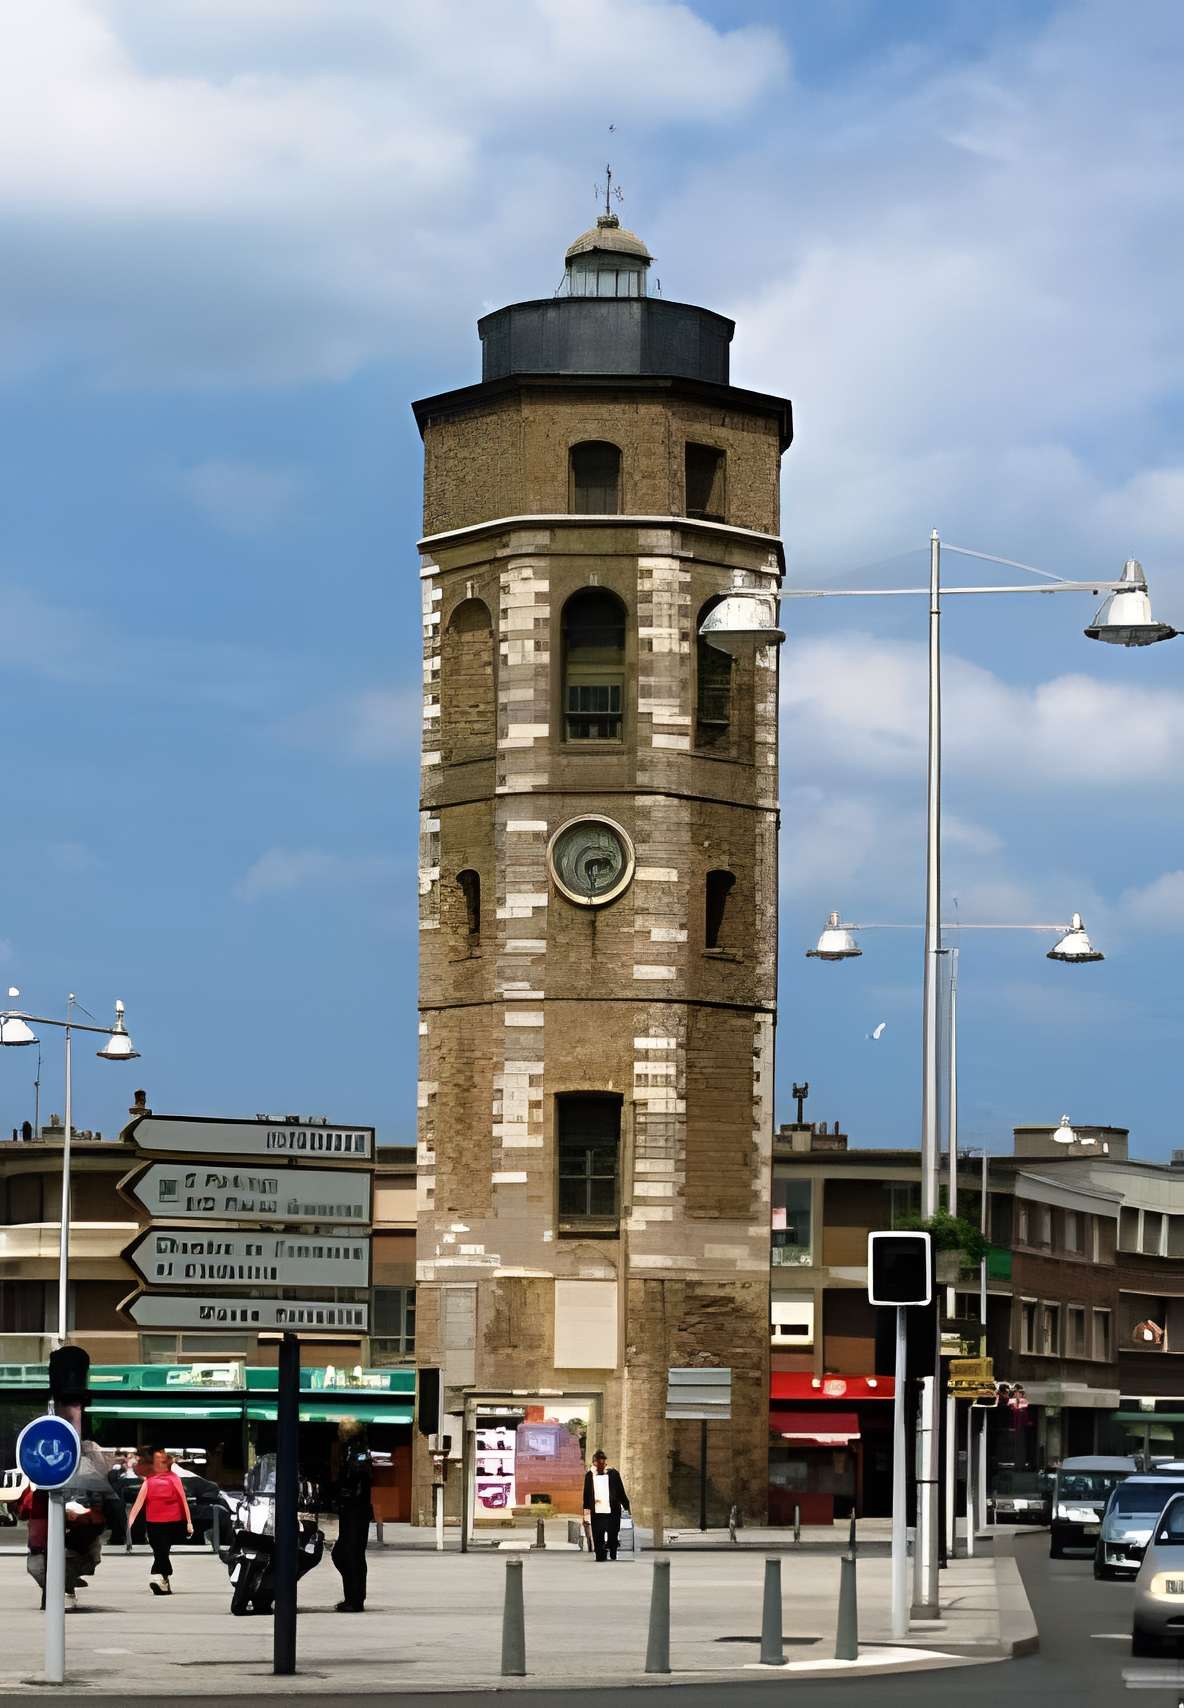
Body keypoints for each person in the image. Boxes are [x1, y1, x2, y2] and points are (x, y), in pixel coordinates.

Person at [126, 1450, 192, 1594]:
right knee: (160, 1550)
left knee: (161, 1550)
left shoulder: (174, 1479)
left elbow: (183, 1500)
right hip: (153, 1521)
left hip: (172, 1521)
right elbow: (139, 1502)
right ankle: (164, 1580)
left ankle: (160, 1577)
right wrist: (131, 1522)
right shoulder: (149, 1481)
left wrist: (188, 1522)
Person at [330, 1419, 373, 1612]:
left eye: (340, 1431)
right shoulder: (352, 1450)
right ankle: (354, 1597)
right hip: (353, 1508)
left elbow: (356, 1477)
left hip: (355, 1508)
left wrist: (342, 1492)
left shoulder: (356, 1452)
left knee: (349, 1553)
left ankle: (355, 1599)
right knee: (347, 1553)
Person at [582, 1450, 630, 1562]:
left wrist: (626, 1505)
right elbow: (587, 1494)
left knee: (613, 1532)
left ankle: (613, 1551)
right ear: (594, 1462)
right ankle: (600, 1554)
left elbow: (620, 1491)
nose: (599, 1463)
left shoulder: (613, 1473)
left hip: (612, 1509)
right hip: (597, 1510)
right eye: (597, 1461)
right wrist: (586, 1512)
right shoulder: (590, 1475)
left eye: (602, 1461)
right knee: (598, 1533)